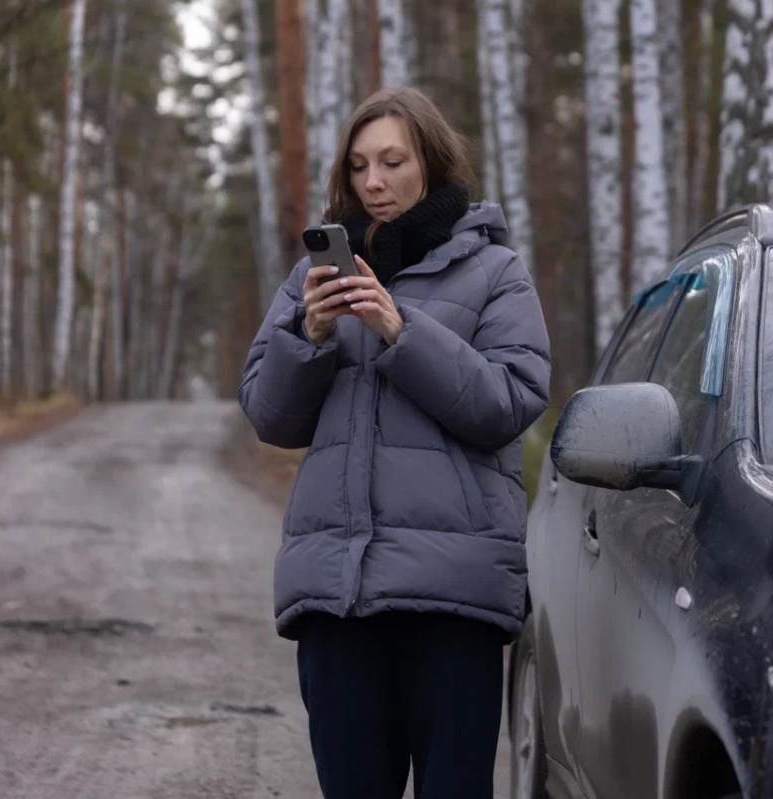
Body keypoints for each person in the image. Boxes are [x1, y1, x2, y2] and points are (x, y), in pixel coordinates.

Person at [237, 87, 551, 799]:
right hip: (338, 601)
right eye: (358, 166)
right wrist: (307, 341)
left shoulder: (495, 272)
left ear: (431, 164)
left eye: (391, 162)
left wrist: (400, 331)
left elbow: (509, 403)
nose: (373, 183)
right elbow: (268, 414)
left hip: (452, 602)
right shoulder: (314, 278)